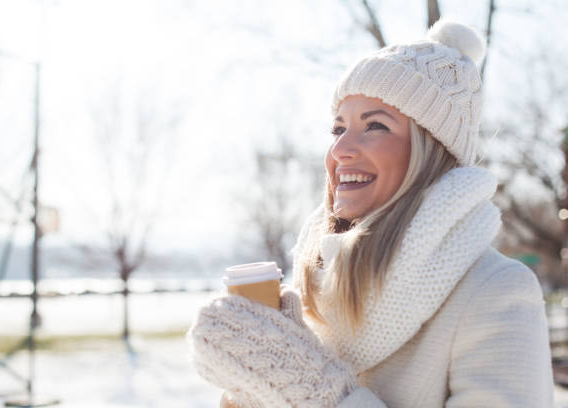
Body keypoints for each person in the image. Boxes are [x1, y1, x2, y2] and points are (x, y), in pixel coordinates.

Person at [187, 18, 555, 407]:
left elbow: (315, 391)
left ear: (430, 152)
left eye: (375, 126)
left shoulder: (495, 290)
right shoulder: (315, 289)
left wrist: (316, 390)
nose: (340, 149)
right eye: (338, 128)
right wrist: (253, 385)